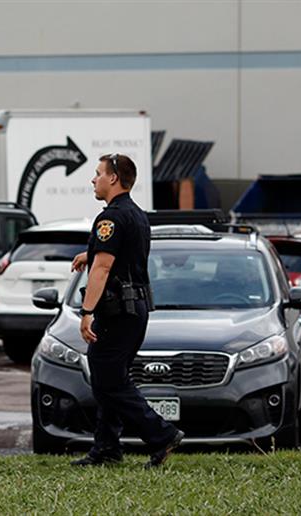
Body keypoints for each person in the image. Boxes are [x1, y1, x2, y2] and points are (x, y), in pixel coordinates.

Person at [69, 153, 183, 468]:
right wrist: (90, 252)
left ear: (113, 178)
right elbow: (122, 253)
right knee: (109, 377)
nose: (94, 179)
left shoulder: (110, 218)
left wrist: (87, 311)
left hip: (117, 313)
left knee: (108, 380)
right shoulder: (136, 214)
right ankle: (106, 448)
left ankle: (162, 434)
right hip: (134, 311)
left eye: (98, 173)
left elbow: (103, 269)